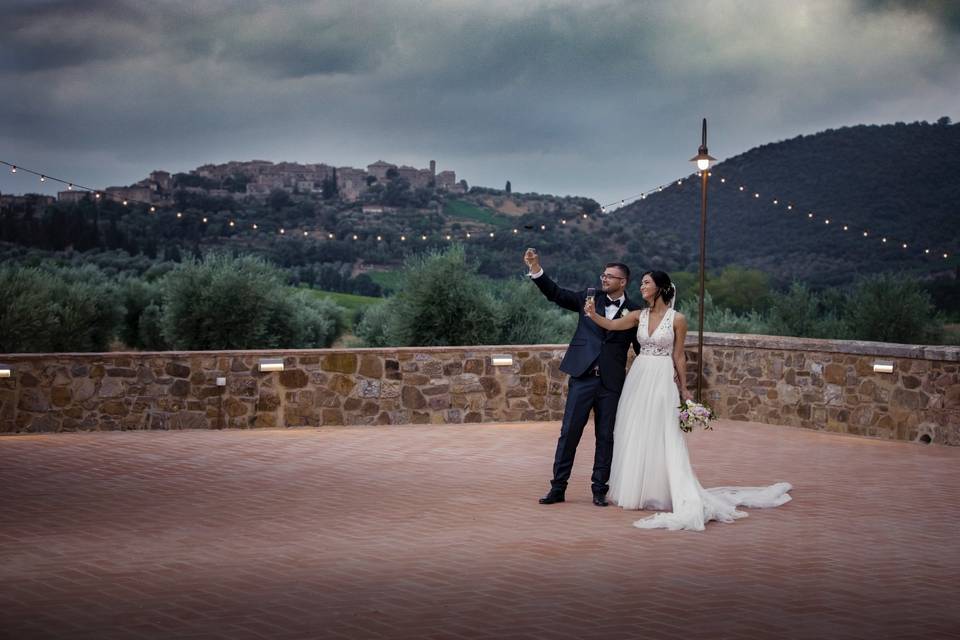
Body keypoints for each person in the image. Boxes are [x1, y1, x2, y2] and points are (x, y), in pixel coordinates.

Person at [585, 270, 792, 530]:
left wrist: (684, 389)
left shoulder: (678, 319)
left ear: (659, 287)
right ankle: (639, 490)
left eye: (646, 283)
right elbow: (613, 325)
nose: (642, 286)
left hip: (662, 377)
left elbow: (679, 356)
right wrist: (593, 315)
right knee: (637, 430)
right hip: (639, 377)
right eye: (641, 283)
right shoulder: (638, 315)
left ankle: (671, 489)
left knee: (665, 432)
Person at [524, 248, 641, 507]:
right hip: (583, 377)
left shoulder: (635, 312)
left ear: (623, 282)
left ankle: (599, 490)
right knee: (569, 434)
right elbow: (555, 294)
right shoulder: (588, 298)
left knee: (606, 436)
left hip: (611, 384)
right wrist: (536, 268)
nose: (604, 279)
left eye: (610, 277)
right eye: (603, 275)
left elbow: (640, 348)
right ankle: (558, 488)